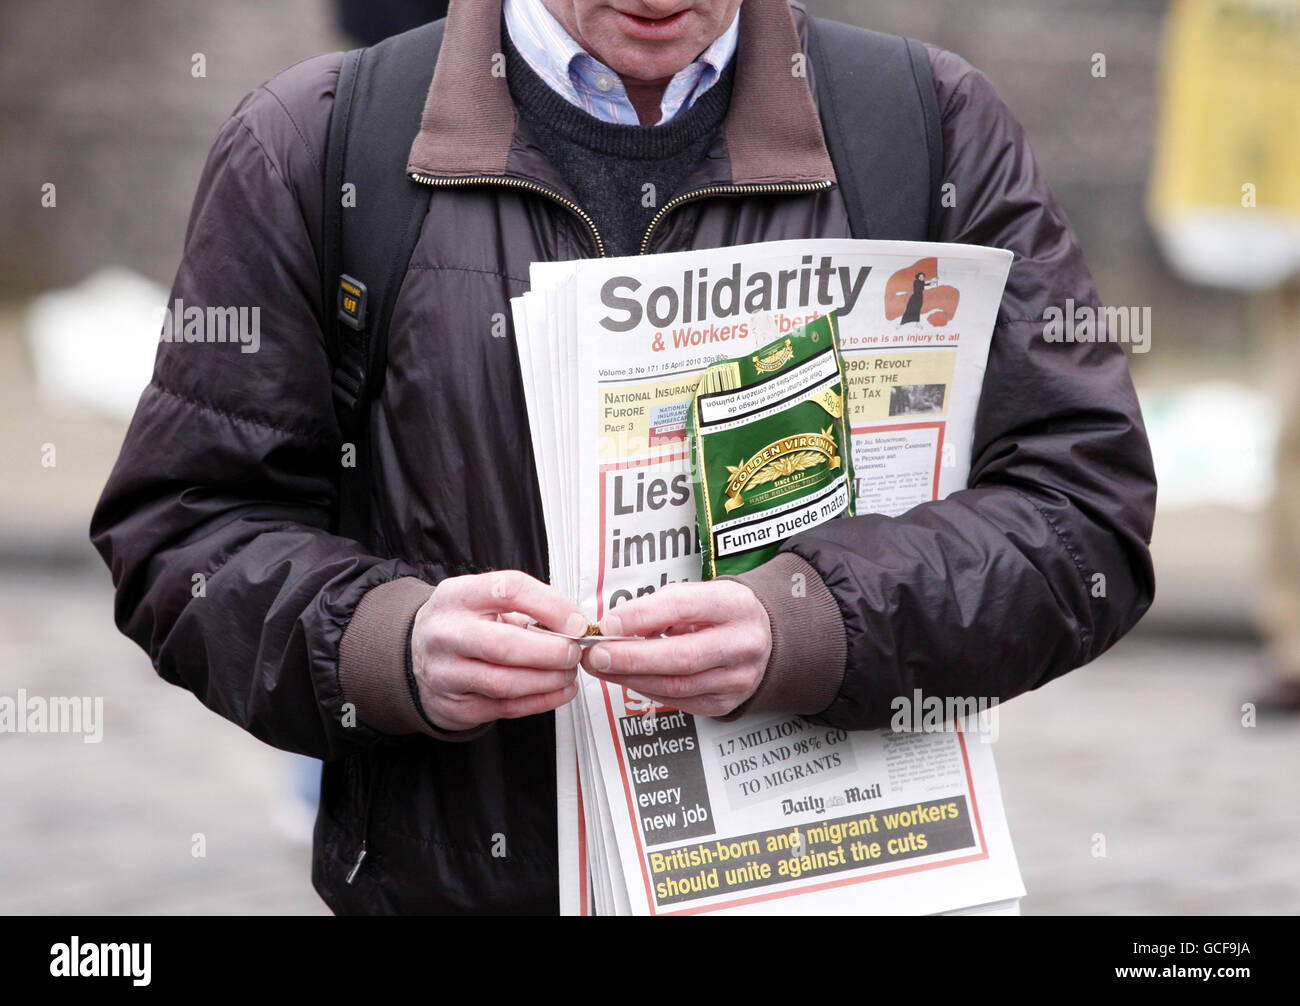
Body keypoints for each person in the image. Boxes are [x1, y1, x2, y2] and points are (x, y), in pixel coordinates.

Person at [90, 0, 1156, 914]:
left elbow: (1081, 509)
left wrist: (813, 625)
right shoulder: (318, 142)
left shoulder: (928, 125)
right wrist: (388, 644)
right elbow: (184, 530)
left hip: (826, 878)